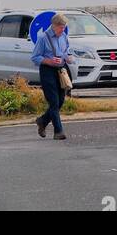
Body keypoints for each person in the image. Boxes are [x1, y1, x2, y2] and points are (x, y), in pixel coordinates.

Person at [31, 12, 75, 140]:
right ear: (54, 26)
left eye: (64, 27)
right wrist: (48, 61)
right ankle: (58, 131)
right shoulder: (43, 38)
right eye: (61, 27)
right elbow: (35, 57)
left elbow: (66, 51)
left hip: (61, 70)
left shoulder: (64, 36)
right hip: (47, 71)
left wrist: (69, 58)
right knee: (54, 101)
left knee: (60, 101)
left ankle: (42, 121)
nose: (63, 30)